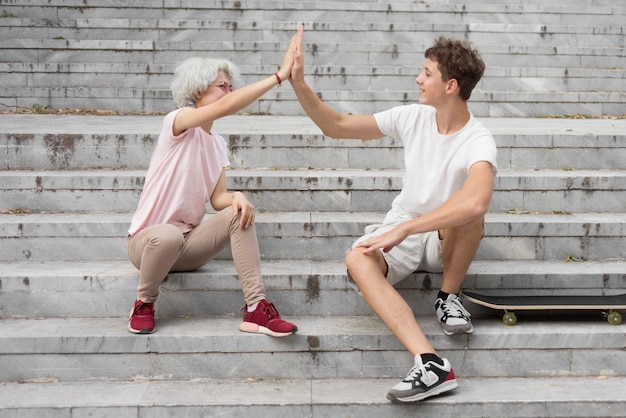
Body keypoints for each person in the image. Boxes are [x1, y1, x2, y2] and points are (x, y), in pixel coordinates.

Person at [289, 26, 497, 401]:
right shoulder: (412, 117)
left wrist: (408, 229)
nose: (418, 79)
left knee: (469, 213)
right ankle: (431, 363)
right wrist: (300, 83)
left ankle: (448, 296)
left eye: (427, 73)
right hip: (403, 228)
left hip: (442, 238)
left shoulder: (478, 138)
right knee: (357, 258)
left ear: (450, 86)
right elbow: (336, 126)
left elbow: (477, 201)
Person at [126, 35, 298, 338]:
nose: (229, 92)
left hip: (187, 246)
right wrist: (279, 76)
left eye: (230, 86)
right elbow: (229, 106)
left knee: (237, 212)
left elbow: (218, 198)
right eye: (222, 86)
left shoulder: (216, 143)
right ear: (198, 90)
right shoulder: (177, 123)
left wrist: (239, 197)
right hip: (148, 244)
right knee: (166, 234)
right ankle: (144, 302)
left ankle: (256, 308)